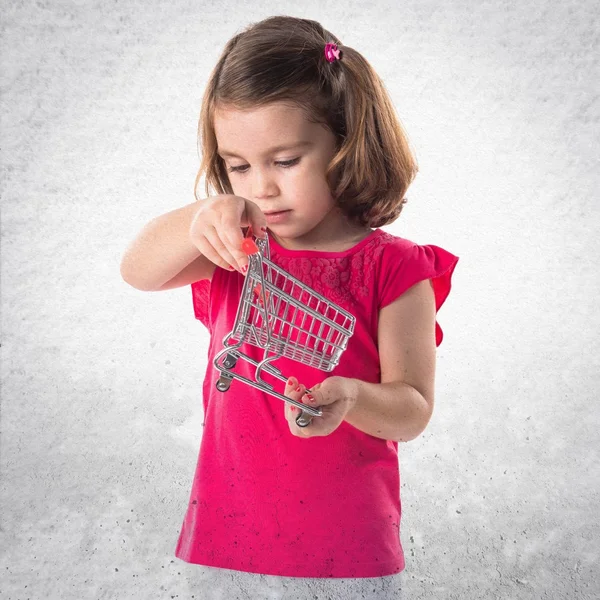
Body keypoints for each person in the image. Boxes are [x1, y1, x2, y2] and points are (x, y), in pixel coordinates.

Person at [120, 15, 459, 581]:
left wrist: (352, 395)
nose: (261, 187)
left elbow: (412, 411)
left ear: (345, 145)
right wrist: (198, 217)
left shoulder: (395, 267)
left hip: (349, 545)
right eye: (238, 166)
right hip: (226, 534)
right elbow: (138, 271)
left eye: (285, 160)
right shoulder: (239, 250)